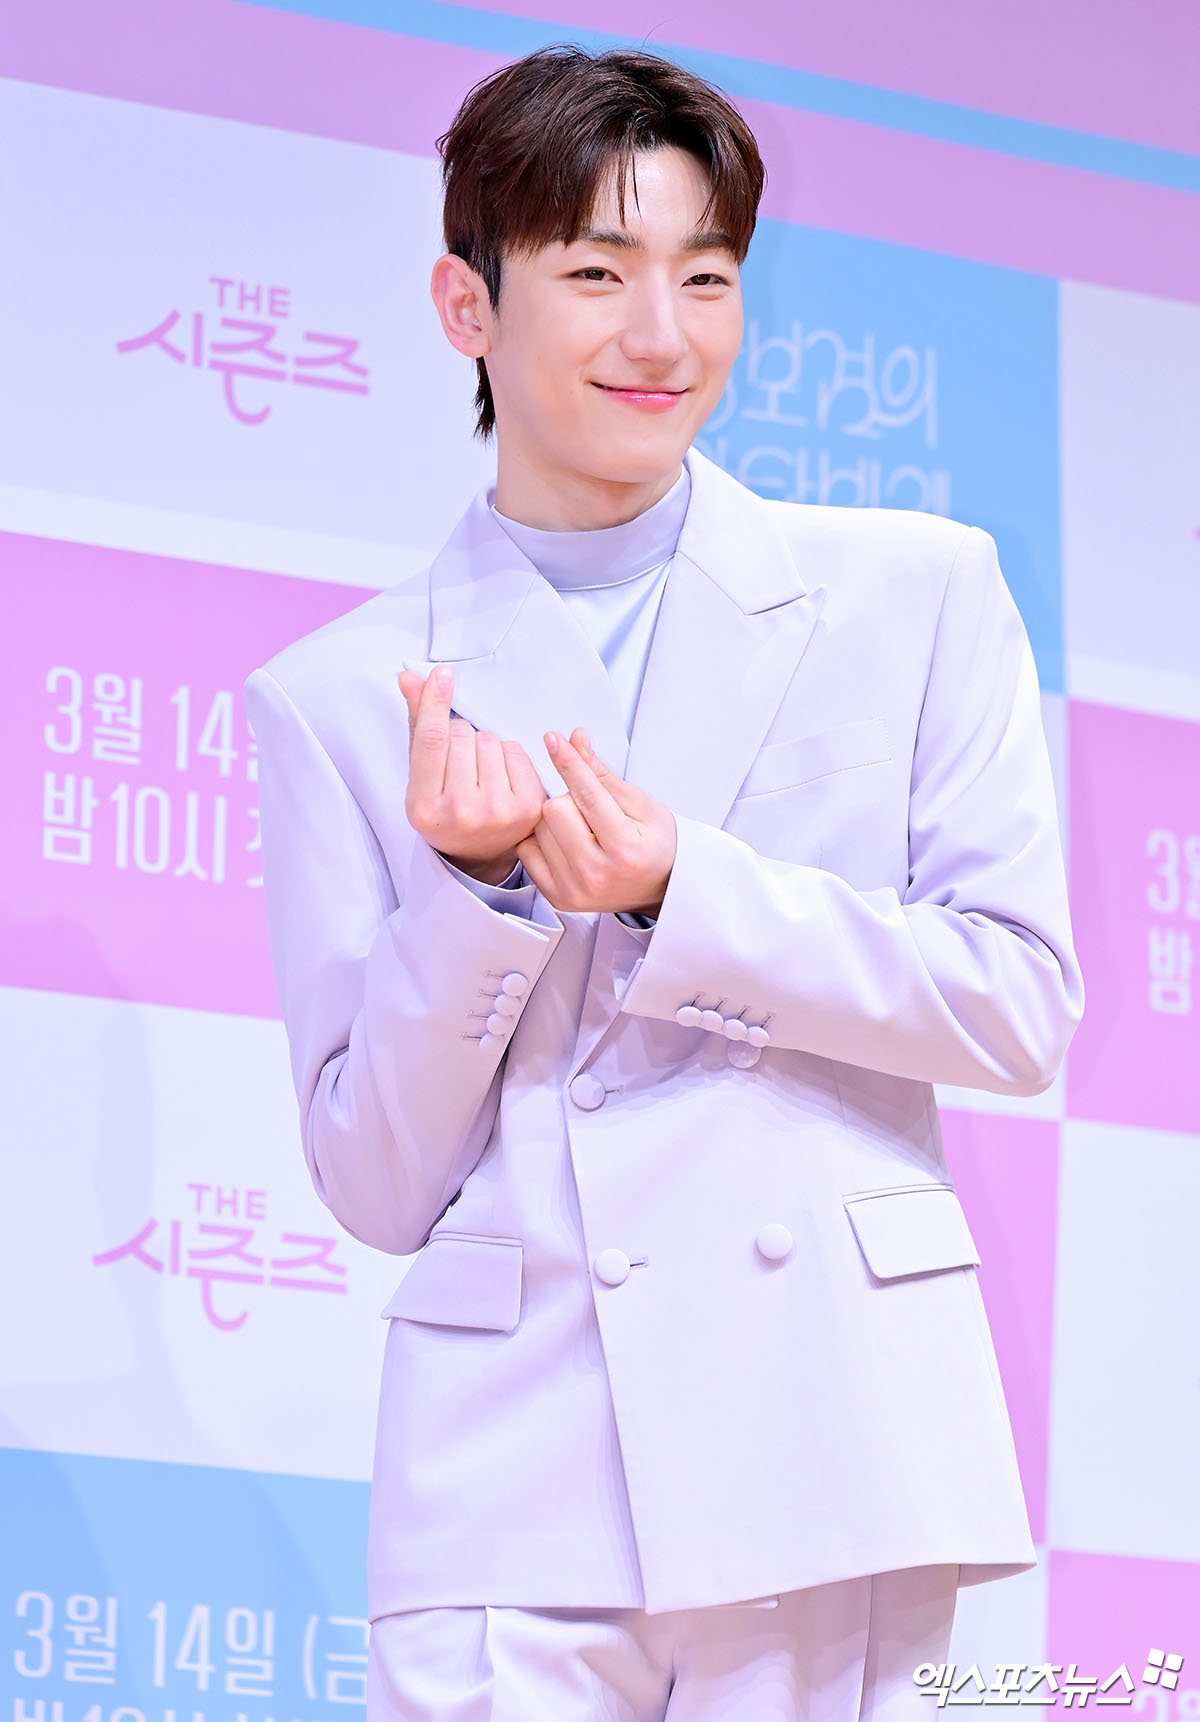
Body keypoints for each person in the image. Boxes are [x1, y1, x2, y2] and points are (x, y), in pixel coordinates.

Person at [243, 44, 1084, 1722]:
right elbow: (376, 1179)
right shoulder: (339, 694)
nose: (664, 335)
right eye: (597, 274)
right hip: (514, 1478)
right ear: (468, 306)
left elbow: (1018, 1004)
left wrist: (681, 889)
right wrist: (470, 898)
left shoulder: (914, 593)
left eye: (707, 278)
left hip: (829, 1438)